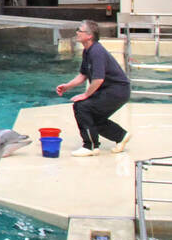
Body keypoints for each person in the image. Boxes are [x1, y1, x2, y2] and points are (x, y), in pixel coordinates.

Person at [56, 19, 132, 157]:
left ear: (89, 35)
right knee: (93, 118)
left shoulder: (96, 51)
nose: (77, 32)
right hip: (111, 90)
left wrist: (85, 95)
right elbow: (83, 75)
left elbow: (98, 79)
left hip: (117, 91)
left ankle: (90, 146)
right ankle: (121, 136)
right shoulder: (87, 51)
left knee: (82, 106)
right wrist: (67, 86)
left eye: (80, 30)